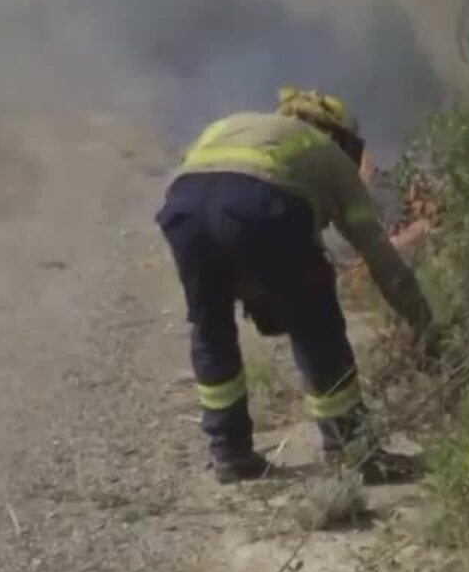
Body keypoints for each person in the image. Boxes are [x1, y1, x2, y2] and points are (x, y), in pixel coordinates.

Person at [155, 86, 441, 483]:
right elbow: (381, 259)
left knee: (211, 327)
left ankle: (230, 455)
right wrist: (423, 320)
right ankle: (352, 452)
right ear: (338, 135)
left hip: (183, 210)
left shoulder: (235, 125)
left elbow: (205, 194)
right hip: (259, 204)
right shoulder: (328, 156)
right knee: (317, 325)